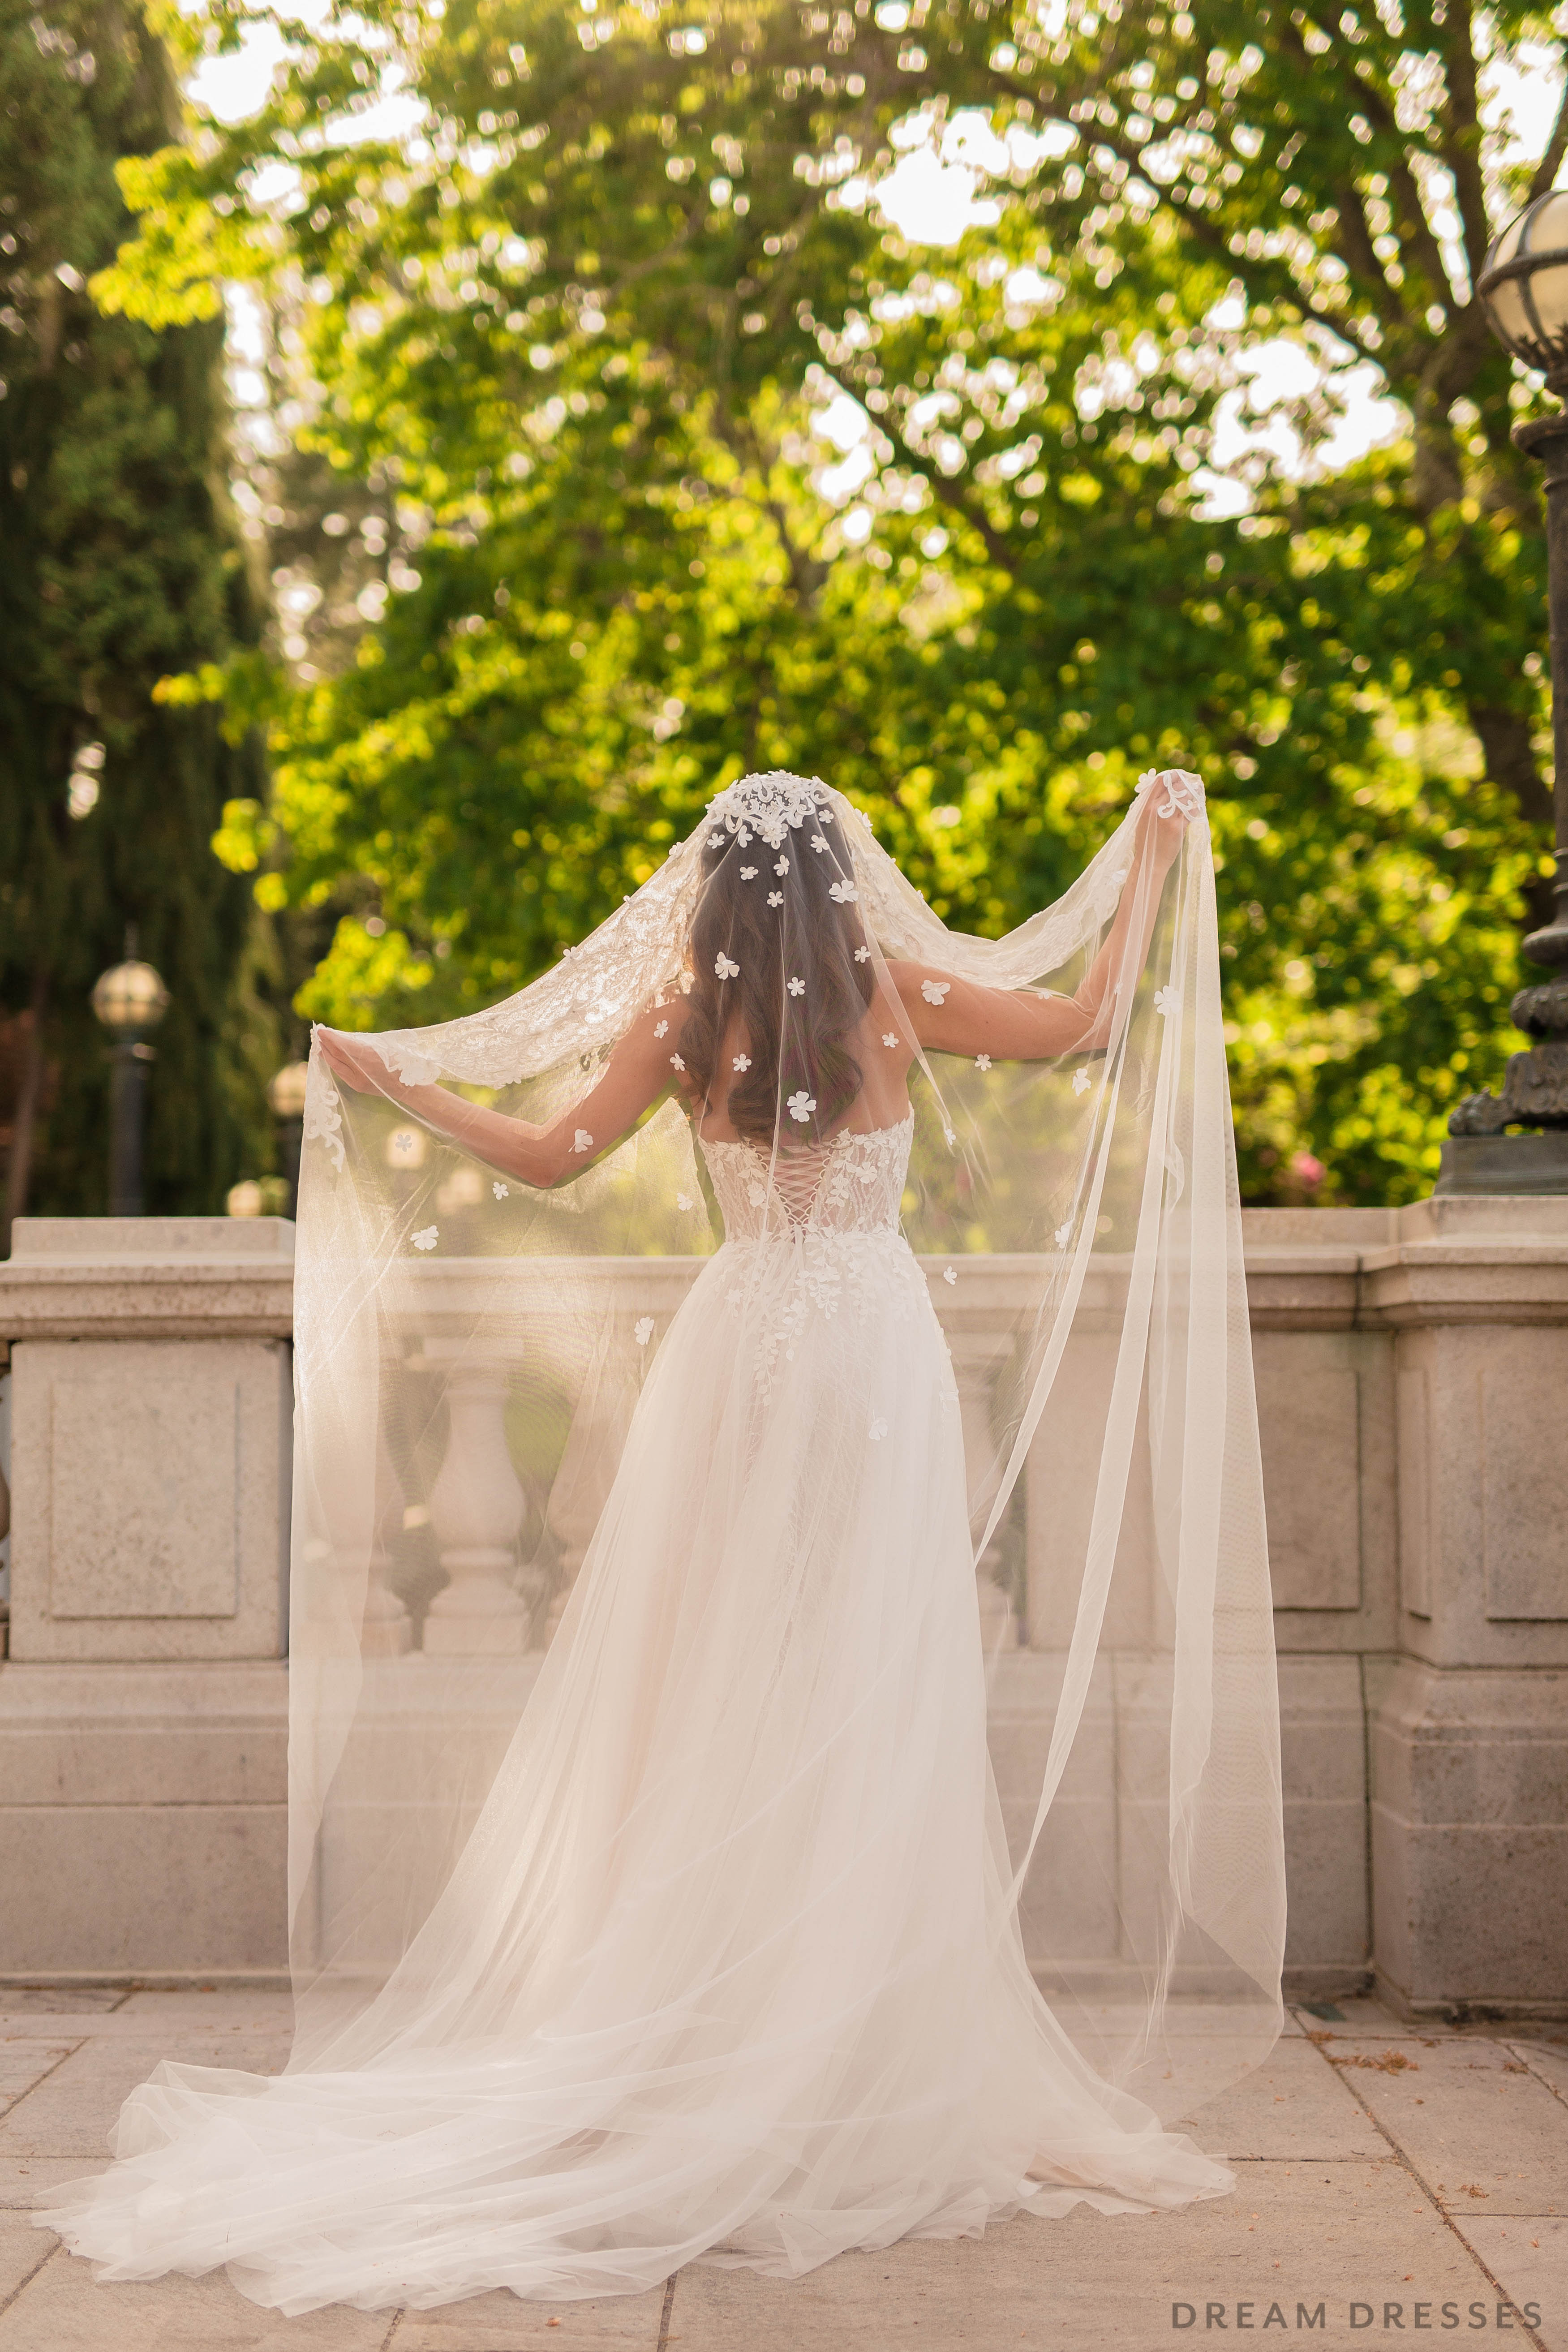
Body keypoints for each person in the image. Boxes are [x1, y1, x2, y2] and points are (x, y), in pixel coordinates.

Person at [39, 768, 1285, 2316]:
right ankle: (838, 2048)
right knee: (864, 1690)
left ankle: (710, 2025)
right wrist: (1154, 854)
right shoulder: (892, 997)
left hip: (740, 1354)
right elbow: (1095, 1015)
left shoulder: (694, 1014)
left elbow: (555, 1151)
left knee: (714, 1690)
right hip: (868, 1363)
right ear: (850, 884)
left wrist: (397, 1075)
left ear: (714, 892)